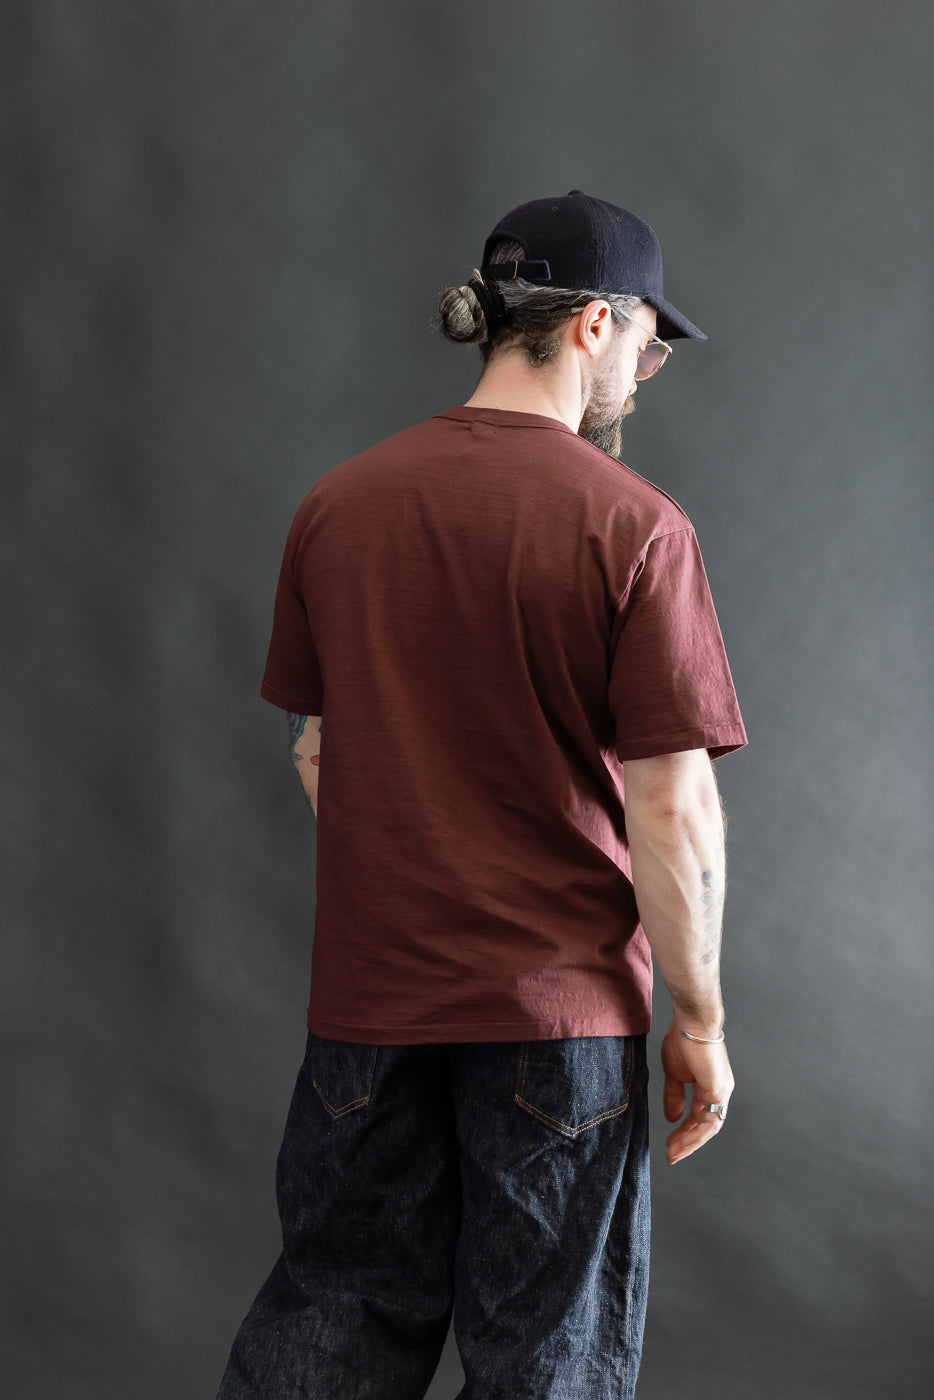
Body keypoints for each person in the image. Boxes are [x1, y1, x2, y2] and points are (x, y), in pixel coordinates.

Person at [215, 189, 748, 1400]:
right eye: (649, 342)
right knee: (545, 1357)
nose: (646, 372)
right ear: (593, 326)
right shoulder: (635, 526)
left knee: (332, 1325)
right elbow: (671, 808)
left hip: (369, 1007)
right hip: (558, 1025)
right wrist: (702, 1021)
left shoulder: (338, 505)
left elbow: (318, 751)